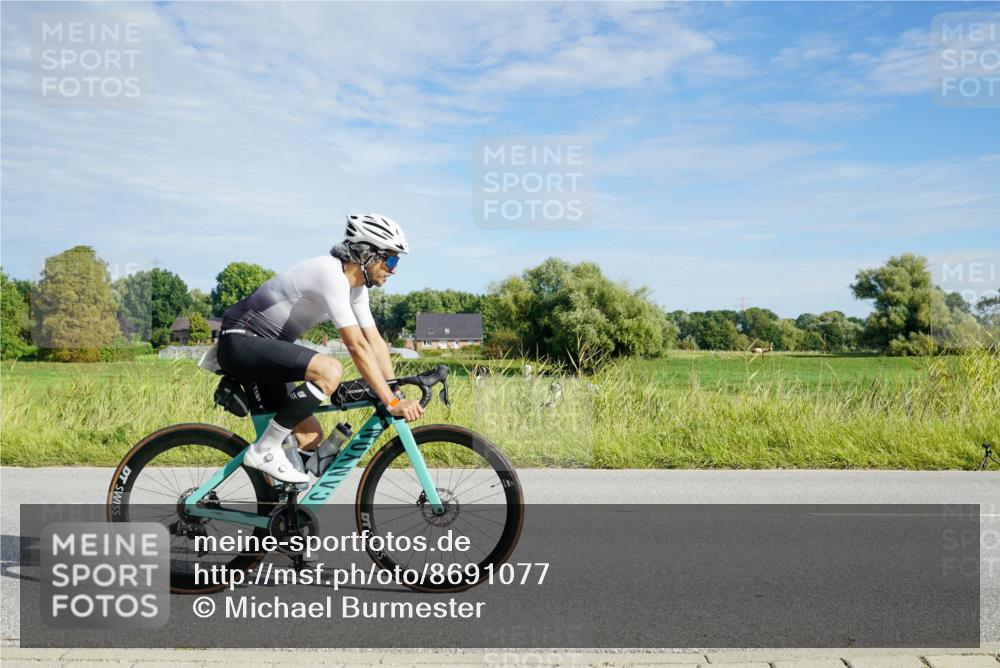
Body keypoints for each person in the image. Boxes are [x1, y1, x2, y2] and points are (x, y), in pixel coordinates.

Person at [216, 213, 425, 484]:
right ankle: (264, 450)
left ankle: (283, 513)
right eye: (392, 259)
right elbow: (357, 346)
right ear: (368, 255)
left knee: (310, 437)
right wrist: (392, 402)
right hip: (241, 341)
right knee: (329, 370)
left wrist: (395, 390)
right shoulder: (329, 274)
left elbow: (375, 342)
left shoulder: (356, 290)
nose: (394, 269)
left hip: (265, 351)